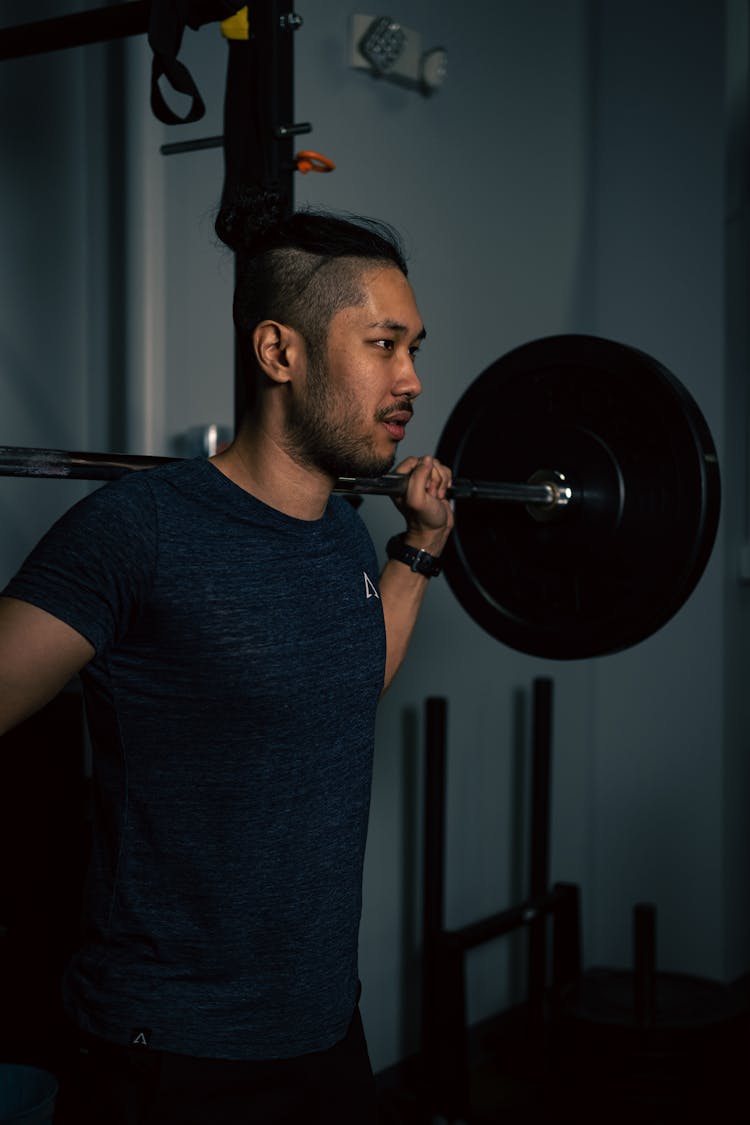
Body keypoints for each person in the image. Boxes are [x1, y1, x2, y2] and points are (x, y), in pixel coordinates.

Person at [0, 195, 453, 1124]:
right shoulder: (136, 532)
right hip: (170, 1054)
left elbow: (342, 688)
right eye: (382, 345)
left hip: (324, 1032)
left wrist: (418, 550)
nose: (410, 379)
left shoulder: (341, 532)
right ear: (279, 352)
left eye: (414, 349)